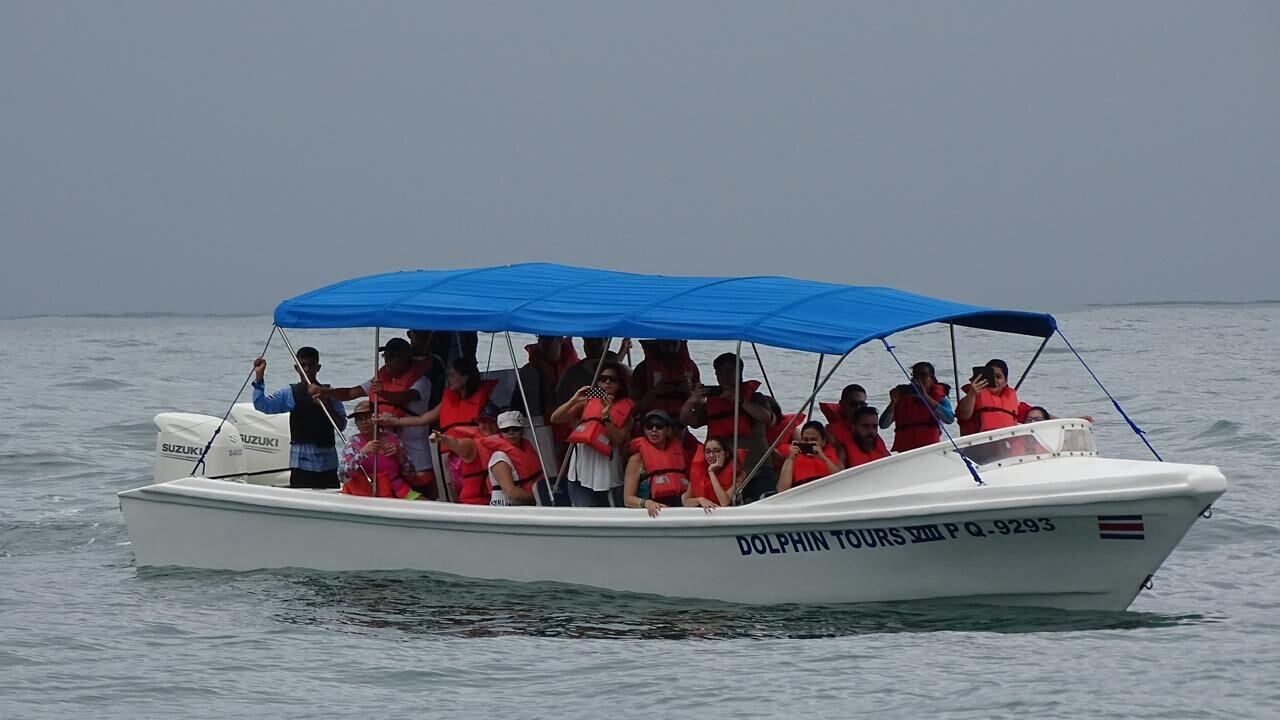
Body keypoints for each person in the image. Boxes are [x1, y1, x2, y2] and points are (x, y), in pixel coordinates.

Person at [309, 338, 436, 496]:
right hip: (388, 457)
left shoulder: (422, 383)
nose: (387, 361)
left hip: (415, 457)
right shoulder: (382, 381)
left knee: (417, 495)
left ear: (405, 357)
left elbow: (404, 397)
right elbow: (350, 393)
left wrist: (381, 392)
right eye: (385, 356)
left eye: (392, 356)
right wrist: (325, 391)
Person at [380, 357, 499, 497]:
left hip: (471, 455)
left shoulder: (485, 405)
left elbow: (490, 433)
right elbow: (423, 419)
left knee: (473, 492)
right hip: (448, 456)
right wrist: (393, 421)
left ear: (465, 378)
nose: (448, 378)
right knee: (451, 493)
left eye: (452, 375)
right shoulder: (448, 401)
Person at [680, 353, 777, 501]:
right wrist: (692, 401)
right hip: (726, 470)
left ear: (739, 372)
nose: (725, 376)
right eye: (720, 372)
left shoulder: (756, 398)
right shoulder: (712, 402)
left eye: (730, 372)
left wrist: (740, 401)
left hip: (756, 467)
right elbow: (688, 420)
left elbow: (767, 418)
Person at [250, 348, 347, 489]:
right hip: (301, 461)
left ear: (318, 367)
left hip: (328, 463)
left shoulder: (330, 392)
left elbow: (341, 426)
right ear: (297, 368)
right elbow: (262, 405)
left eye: (311, 365)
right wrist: (259, 377)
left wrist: (325, 403)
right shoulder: (289, 393)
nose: (307, 369)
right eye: (303, 365)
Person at [550, 361, 633, 507]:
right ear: (597, 383)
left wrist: (606, 416)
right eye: (602, 378)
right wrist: (573, 400)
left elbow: (618, 440)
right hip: (580, 474)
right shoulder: (586, 403)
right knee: (583, 515)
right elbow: (556, 418)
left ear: (620, 384)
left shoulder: (625, 409)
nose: (607, 382)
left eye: (612, 379)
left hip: (608, 475)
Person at [431, 410, 543, 506]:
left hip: (491, 502)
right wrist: (443, 439)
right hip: (475, 504)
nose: (487, 426)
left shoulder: (516, 448)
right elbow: (456, 444)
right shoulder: (473, 446)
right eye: (483, 422)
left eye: (491, 422)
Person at [510, 335, 580, 461]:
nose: (542, 342)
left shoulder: (576, 368)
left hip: (574, 429)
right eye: (540, 338)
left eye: (548, 338)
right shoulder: (528, 372)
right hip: (541, 430)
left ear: (560, 339)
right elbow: (516, 407)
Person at [338, 401, 419, 499]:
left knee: (425, 506)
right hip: (366, 494)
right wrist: (362, 453)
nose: (364, 422)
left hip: (399, 490)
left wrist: (400, 455)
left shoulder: (393, 439)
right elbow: (342, 475)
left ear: (376, 418)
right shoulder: (353, 443)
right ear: (356, 423)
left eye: (367, 417)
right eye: (359, 419)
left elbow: (411, 475)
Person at [623, 410, 691, 517]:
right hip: (651, 512)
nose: (654, 430)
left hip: (678, 510)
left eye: (659, 426)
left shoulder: (680, 453)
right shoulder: (636, 460)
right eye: (649, 426)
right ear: (644, 430)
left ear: (668, 430)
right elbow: (628, 499)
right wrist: (646, 503)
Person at [878, 362, 954, 453]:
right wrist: (893, 403)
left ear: (932, 379)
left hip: (930, 450)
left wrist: (926, 398)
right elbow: (883, 425)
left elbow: (949, 419)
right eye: (916, 375)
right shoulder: (903, 396)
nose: (919, 379)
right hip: (906, 452)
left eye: (923, 375)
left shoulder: (939, 397)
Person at [631, 340, 700, 418]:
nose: (670, 348)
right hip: (652, 425)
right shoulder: (642, 368)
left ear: (680, 343)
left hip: (679, 426)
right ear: (658, 344)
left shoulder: (691, 367)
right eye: (665, 344)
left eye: (674, 344)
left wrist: (688, 392)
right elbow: (632, 410)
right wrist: (654, 392)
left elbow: (700, 409)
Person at [776, 421, 843, 492]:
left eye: (813, 440)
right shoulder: (792, 456)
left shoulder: (830, 453)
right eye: (805, 440)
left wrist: (823, 458)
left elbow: (842, 480)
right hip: (804, 495)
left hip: (828, 491)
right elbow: (782, 490)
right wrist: (791, 459)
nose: (809, 443)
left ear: (823, 441)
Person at [956, 359, 1021, 433]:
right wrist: (971, 394)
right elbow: (964, 415)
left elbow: (1033, 414)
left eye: (998, 377)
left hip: (1005, 442)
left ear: (1005, 381)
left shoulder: (1015, 402)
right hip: (979, 442)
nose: (994, 380)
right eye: (990, 376)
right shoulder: (971, 398)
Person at [685, 436, 746, 509]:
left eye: (716, 451)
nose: (711, 455)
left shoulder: (740, 475)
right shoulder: (699, 473)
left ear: (726, 454)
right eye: (707, 452)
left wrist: (711, 471)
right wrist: (700, 500)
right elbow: (685, 500)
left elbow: (724, 502)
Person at [818, 384, 869, 466]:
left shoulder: (871, 428)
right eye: (854, 404)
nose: (859, 408)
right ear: (842, 404)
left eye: (862, 405)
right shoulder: (830, 434)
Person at [407, 330, 447, 409]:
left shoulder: (436, 362)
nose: (422, 336)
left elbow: (439, 392)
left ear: (431, 335)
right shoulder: (402, 359)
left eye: (426, 332)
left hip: (429, 410)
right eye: (417, 332)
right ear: (409, 334)